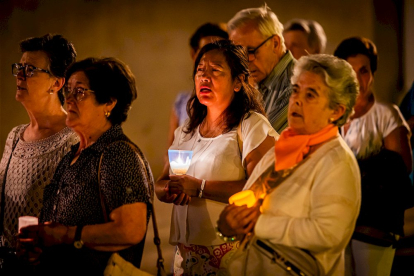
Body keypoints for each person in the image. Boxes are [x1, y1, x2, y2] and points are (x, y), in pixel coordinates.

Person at [217, 54, 361, 275]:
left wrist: (260, 224)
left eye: (310, 94)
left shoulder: (337, 162)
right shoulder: (281, 148)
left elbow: (327, 234)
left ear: (337, 111)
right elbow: (245, 201)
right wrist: (228, 224)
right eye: (295, 90)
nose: (296, 100)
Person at [18, 57, 152, 275]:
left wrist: (65, 234)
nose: (68, 99)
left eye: (79, 92)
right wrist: (38, 248)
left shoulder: (118, 153)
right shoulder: (72, 156)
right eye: (68, 91)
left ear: (109, 102)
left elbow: (131, 230)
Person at [155, 40, 278, 275]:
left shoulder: (250, 126)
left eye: (215, 71)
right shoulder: (187, 130)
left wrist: (200, 188)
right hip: (186, 257)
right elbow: (161, 182)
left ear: (238, 82)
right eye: (200, 71)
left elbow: (261, 189)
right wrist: (170, 190)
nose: (204, 77)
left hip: (230, 256)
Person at [334, 37, 412, 276]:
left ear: (373, 73)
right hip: (337, 222)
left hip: (374, 225)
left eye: (364, 70)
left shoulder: (386, 115)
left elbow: (401, 170)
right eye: (350, 70)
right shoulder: (331, 114)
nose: (358, 79)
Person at [0, 34, 78, 253]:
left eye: (31, 69)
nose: (20, 76)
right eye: (20, 67)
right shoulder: (15, 136)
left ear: (57, 83)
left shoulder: (73, 139)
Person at [228, 4, 295, 133]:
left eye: (251, 51)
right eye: (238, 55)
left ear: (275, 43)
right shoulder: (259, 80)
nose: (244, 62)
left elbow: (262, 143)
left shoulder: (295, 85)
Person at [167, 23, 229, 147]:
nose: (213, 56)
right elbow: (171, 148)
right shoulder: (183, 102)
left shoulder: (235, 104)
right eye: (206, 50)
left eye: (220, 50)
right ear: (194, 54)